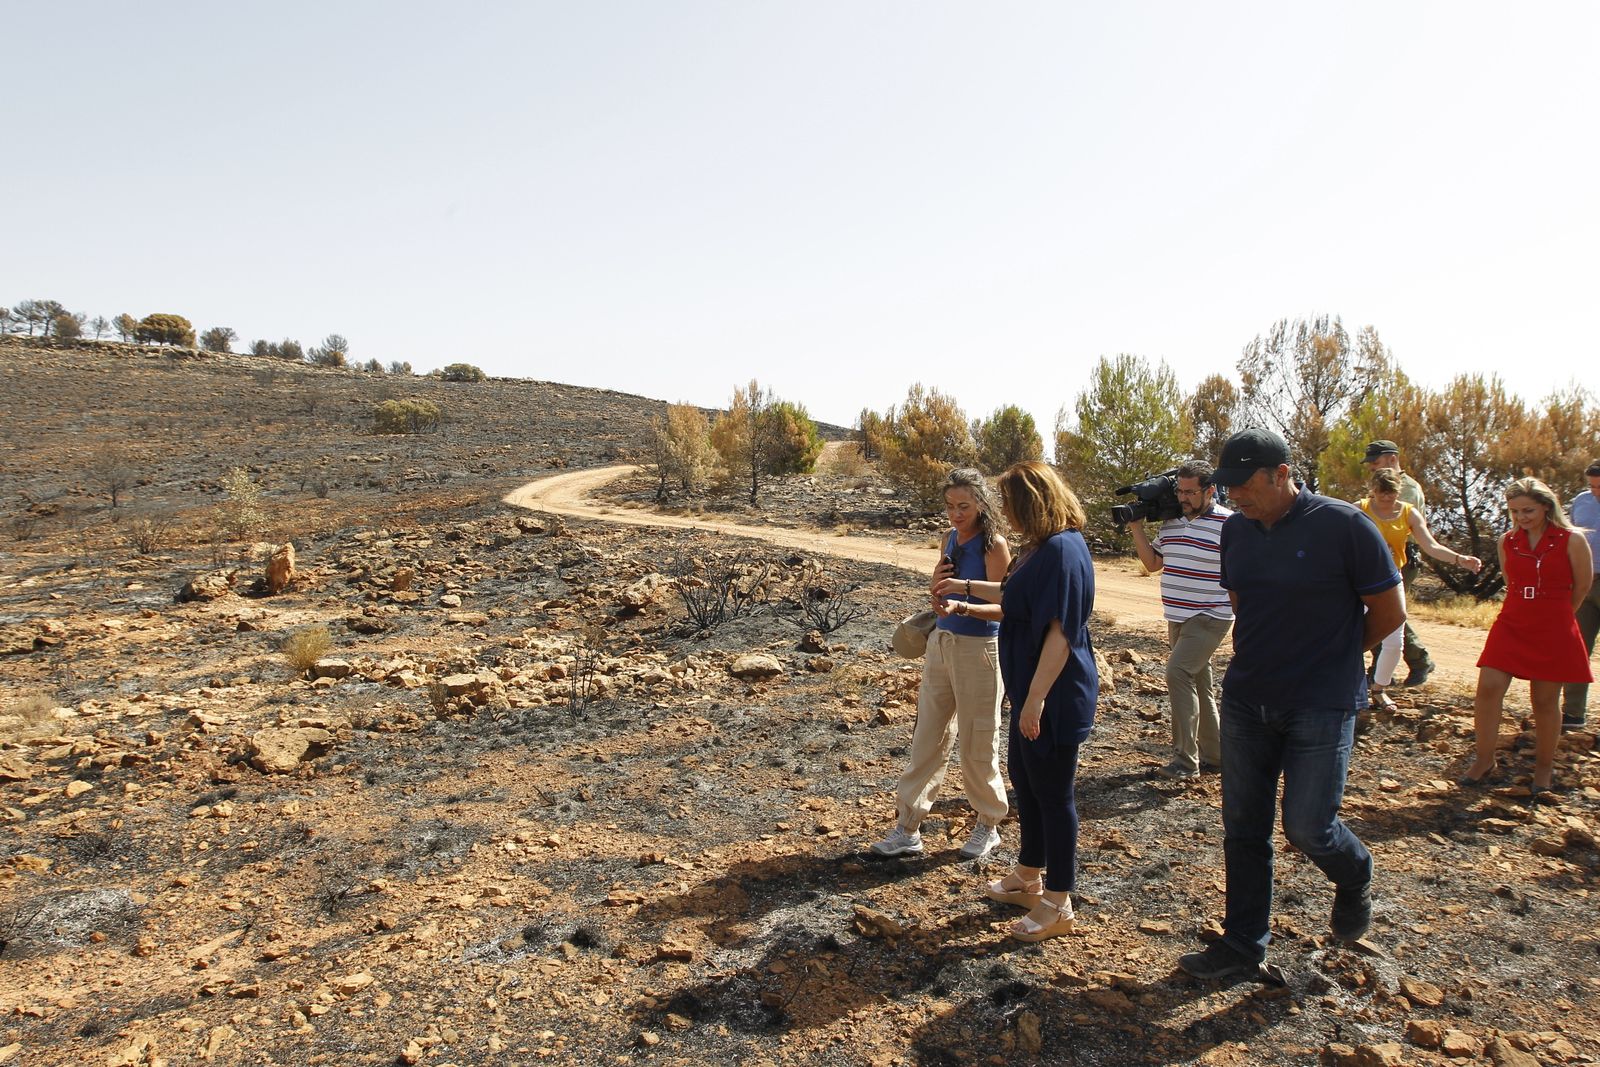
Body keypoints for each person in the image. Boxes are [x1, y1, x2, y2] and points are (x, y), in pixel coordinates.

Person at [1178, 428, 1404, 981]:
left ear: (1282, 474)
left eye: (1245, 485)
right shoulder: (1238, 533)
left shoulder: (1345, 526)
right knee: (1244, 826)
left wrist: (1334, 655)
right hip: (1249, 696)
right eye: (1227, 487)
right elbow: (1243, 603)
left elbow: (1390, 611)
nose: (1235, 498)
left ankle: (1354, 874)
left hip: (1320, 702)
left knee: (1308, 826)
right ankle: (1242, 944)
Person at [934, 461, 1096, 943]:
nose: (1002, 510)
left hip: (1055, 695)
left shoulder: (1065, 550)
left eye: (1009, 502)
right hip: (1030, 690)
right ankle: (1029, 874)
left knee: (1055, 795)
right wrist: (960, 589)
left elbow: (1059, 632)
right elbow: (1013, 596)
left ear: (1031, 502)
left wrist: (1036, 700)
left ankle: (1058, 902)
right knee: (1028, 783)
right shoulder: (1041, 548)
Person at [871, 468, 1011, 860]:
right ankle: (908, 827)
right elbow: (939, 589)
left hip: (980, 650)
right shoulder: (949, 538)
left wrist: (963, 601)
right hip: (942, 642)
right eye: (950, 506)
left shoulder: (993, 545)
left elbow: (1007, 605)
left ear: (982, 504)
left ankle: (988, 825)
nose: (955, 514)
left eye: (963, 506)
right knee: (928, 736)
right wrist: (937, 589)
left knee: (978, 740)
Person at [1461, 478, 1593, 799]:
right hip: (1513, 620)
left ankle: (1544, 767)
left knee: (1544, 701)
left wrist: (1558, 614)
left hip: (1554, 624)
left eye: (1528, 510)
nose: (1522, 517)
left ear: (1547, 506)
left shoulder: (1572, 540)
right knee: (1488, 687)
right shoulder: (1507, 541)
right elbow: (1511, 581)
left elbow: (1582, 586)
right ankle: (1484, 759)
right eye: (1515, 511)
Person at [1127, 460, 1233, 779]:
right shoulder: (1171, 522)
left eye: (1191, 492)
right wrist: (1136, 528)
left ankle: (1186, 762)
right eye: (1181, 491)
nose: (1184, 498)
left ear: (1210, 490)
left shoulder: (1229, 524)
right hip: (1178, 617)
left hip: (1211, 615)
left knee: (1177, 673)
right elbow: (1153, 563)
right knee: (1199, 682)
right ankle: (1216, 755)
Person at [1356, 470, 1483, 710]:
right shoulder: (1359, 509)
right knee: (1353, 638)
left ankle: (1379, 688)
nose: (1387, 499)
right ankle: (1352, 688)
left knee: (1394, 642)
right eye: (1382, 494)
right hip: (1358, 582)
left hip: (1391, 581)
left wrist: (1459, 559)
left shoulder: (1407, 512)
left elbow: (1431, 546)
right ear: (1373, 490)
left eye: (1392, 494)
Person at [1363, 440, 1435, 686]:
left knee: (1388, 612)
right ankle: (1382, 669)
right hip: (1379, 556)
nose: (1372, 468)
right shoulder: (1384, 485)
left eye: (1376, 463)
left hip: (1401, 554)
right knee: (1381, 611)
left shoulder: (1406, 490)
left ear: (1392, 459)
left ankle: (1418, 660)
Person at [1561, 461, 1600, 729]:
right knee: (1576, 649)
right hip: (1585, 582)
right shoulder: (1582, 501)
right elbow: (1568, 534)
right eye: (1592, 485)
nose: (1596, 492)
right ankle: (1573, 714)